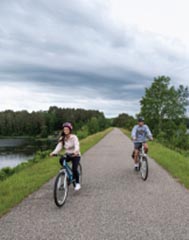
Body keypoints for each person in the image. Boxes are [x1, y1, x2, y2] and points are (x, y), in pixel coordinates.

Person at [50, 122, 81, 191]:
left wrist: (76, 151)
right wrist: (54, 152)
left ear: (70, 130)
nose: (65, 130)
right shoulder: (62, 138)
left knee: (74, 169)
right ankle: (66, 173)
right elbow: (59, 147)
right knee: (61, 160)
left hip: (75, 155)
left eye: (67, 129)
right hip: (68, 154)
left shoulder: (74, 137)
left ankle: (77, 183)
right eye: (64, 129)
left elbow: (77, 145)